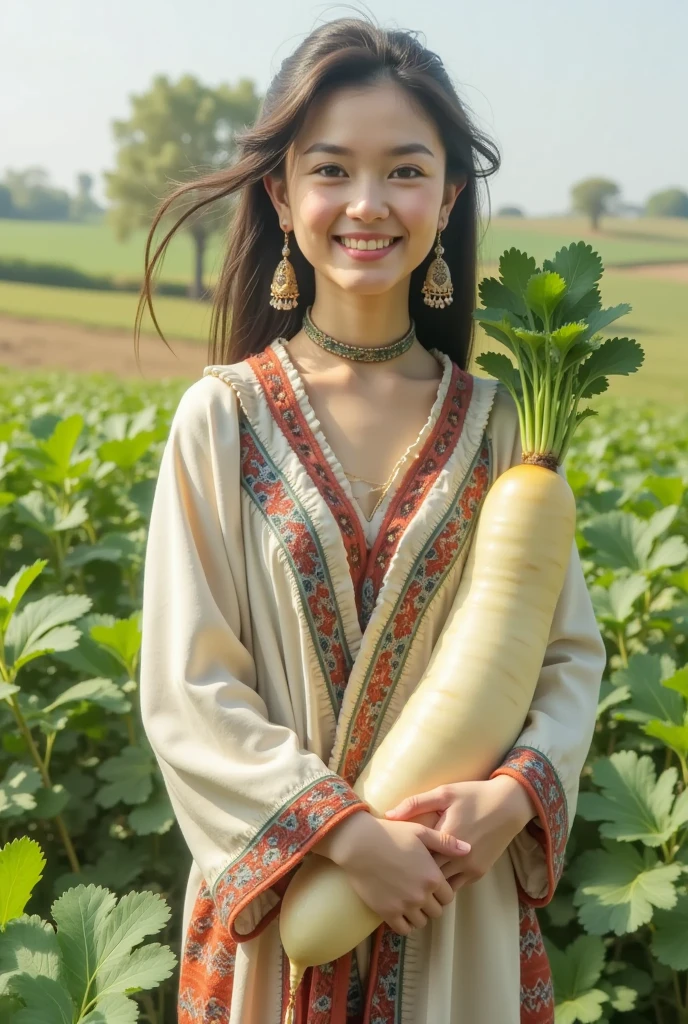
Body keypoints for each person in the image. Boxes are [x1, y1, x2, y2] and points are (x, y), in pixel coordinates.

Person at [138, 16, 607, 1024]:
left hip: (451, 895)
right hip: (282, 906)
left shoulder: (500, 430)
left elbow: (567, 656)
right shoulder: (220, 419)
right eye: (330, 170)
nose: (366, 204)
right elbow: (187, 687)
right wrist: (343, 835)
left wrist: (514, 795)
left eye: (403, 171)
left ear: (446, 196)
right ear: (280, 192)